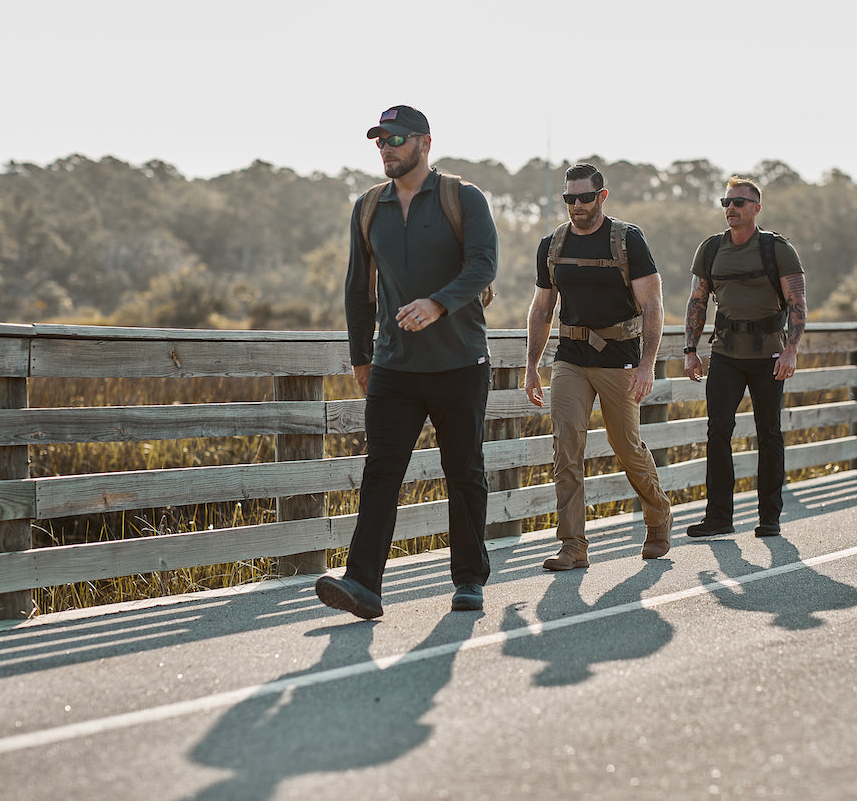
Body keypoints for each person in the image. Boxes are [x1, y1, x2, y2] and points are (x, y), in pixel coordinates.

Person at [316, 105, 498, 619]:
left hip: (460, 362)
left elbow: (484, 264)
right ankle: (363, 584)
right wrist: (361, 357)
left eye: (396, 138)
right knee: (381, 471)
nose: (386, 147)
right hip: (394, 367)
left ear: (424, 142)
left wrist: (438, 302)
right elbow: (357, 287)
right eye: (379, 139)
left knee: (463, 471)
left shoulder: (462, 198)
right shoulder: (368, 206)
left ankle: (468, 579)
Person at [525, 163, 673, 570]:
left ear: (602, 196)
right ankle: (573, 545)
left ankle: (659, 516)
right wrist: (531, 366)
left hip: (620, 358)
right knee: (566, 448)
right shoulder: (552, 245)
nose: (577, 205)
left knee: (626, 447)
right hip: (570, 359)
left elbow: (652, 305)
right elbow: (541, 310)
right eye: (569, 198)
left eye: (585, 198)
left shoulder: (628, 240)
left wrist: (647, 365)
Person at [683, 175, 806, 538]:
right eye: (727, 202)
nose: (731, 208)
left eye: (739, 202)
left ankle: (770, 516)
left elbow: (797, 302)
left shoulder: (777, 249)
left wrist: (791, 350)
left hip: (769, 355)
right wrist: (690, 351)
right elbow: (697, 301)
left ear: (756, 208)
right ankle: (719, 517)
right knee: (718, 431)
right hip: (725, 353)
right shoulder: (710, 250)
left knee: (769, 433)